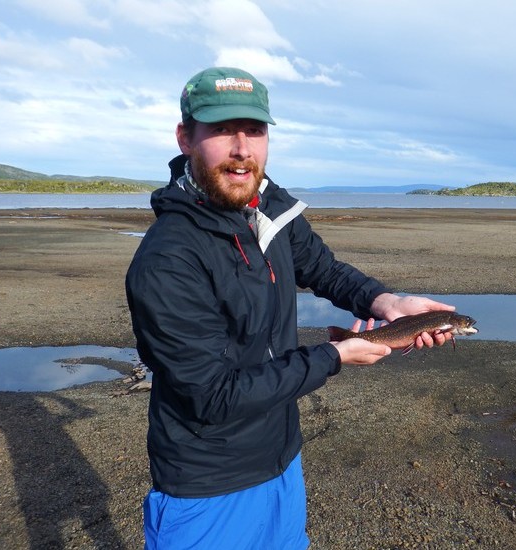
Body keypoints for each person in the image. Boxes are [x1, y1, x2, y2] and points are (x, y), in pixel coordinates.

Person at [125, 66, 454, 549]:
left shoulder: (269, 212)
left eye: (255, 131)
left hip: (282, 458)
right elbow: (214, 396)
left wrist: (389, 303)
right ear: (185, 138)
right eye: (221, 130)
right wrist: (335, 357)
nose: (242, 149)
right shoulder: (167, 260)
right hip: (208, 482)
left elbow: (323, 269)